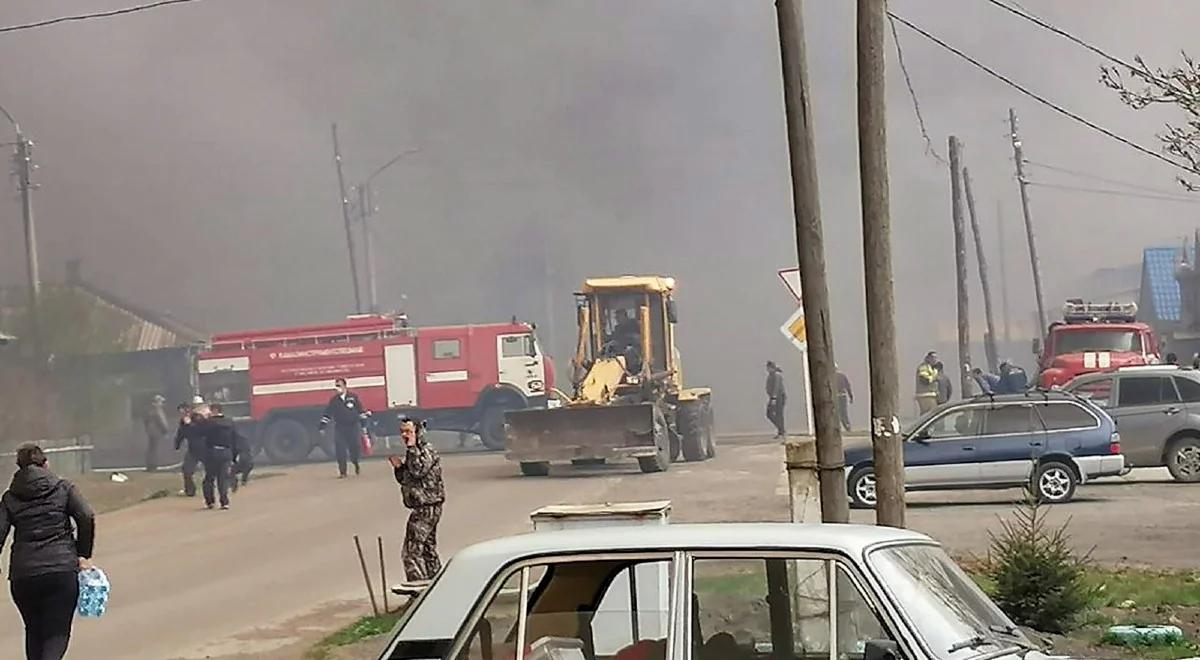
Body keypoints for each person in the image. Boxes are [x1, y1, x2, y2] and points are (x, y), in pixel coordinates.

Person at [0, 443, 96, 660]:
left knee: (34, 632)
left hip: (23, 575)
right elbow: (86, 516)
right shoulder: (63, 488)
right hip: (60, 570)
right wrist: (83, 554)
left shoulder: (10, 497)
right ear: (46, 464)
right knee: (56, 633)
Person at [389, 417, 445, 582]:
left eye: (409, 431)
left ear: (418, 432)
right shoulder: (414, 452)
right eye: (402, 432)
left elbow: (419, 471)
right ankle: (437, 584)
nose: (405, 435)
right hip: (423, 505)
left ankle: (418, 592)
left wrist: (412, 447)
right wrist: (399, 468)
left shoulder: (426, 450)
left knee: (411, 553)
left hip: (426, 507)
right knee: (428, 549)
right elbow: (408, 479)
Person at [319, 378, 371, 478]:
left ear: (345, 386)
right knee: (340, 450)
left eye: (339, 386)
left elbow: (361, 412)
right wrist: (322, 427)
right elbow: (327, 414)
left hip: (353, 427)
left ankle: (355, 463)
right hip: (340, 428)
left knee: (354, 447)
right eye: (336, 386)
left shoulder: (353, 397)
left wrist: (364, 426)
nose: (337, 388)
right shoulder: (334, 401)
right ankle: (343, 472)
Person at [200, 403, 238, 510]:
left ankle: (210, 501)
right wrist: (234, 456)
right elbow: (234, 439)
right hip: (226, 452)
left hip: (212, 452)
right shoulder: (230, 422)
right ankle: (224, 502)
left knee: (209, 478)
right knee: (223, 479)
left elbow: (200, 432)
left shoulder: (209, 423)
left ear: (214, 410)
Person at [173, 403, 203, 497]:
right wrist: (177, 444)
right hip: (192, 449)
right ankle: (190, 490)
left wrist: (190, 424)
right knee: (186, 470)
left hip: (205, 447)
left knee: (213, 469)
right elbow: (181, 433)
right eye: (181, 411)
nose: (183, 413)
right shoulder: (183, 421)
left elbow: (201, 430)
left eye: (185, 410)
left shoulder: (198, 418)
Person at [142, 394, 170, 473]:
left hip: (150, 432)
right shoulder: (158, 410)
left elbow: (145, 421)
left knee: (151, 449)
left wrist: (147, 429)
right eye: (161, 402)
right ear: (157, 402)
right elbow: (162, 421)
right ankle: (153, 466)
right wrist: (165, 431)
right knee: (154, 449)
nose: (162, 404)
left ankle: (149, 466)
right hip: (156, 432)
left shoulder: (148, 410)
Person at [765, 361, 787, 439]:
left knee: (779, 414)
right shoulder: (770, 376)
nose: (767, 369)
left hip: (779, 397)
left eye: (768, 368)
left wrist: (774, 398)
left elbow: (776, 387)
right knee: (769, 414)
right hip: (772, 397)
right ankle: (781, 429)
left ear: (772, 368)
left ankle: (781, 431)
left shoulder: (777, 375)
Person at [834, 364, 853, 432]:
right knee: (844, 413)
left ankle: (838, 428)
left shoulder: (831, 377)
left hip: (835, 397)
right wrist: (851, 396)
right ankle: (847, 427)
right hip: (843, 396)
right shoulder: (842, 376)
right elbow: (848, 386)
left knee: (836, 413)